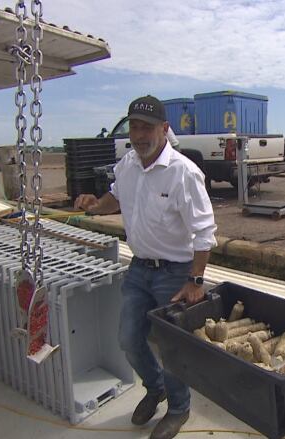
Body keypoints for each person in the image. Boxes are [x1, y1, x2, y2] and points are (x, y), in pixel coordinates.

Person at [74, 95, 216, 439]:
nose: (139, 134)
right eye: (134, 126)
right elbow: (116, 197)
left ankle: (179, 408)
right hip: (139, 269)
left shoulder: (183, 173)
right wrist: (96, 207)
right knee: (128, 338)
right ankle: (156, 387)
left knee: (171, 348)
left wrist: (196, 280)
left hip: (175, 273)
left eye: (147, 127)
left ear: (164, 129)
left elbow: (205, 231)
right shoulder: (127, 165)